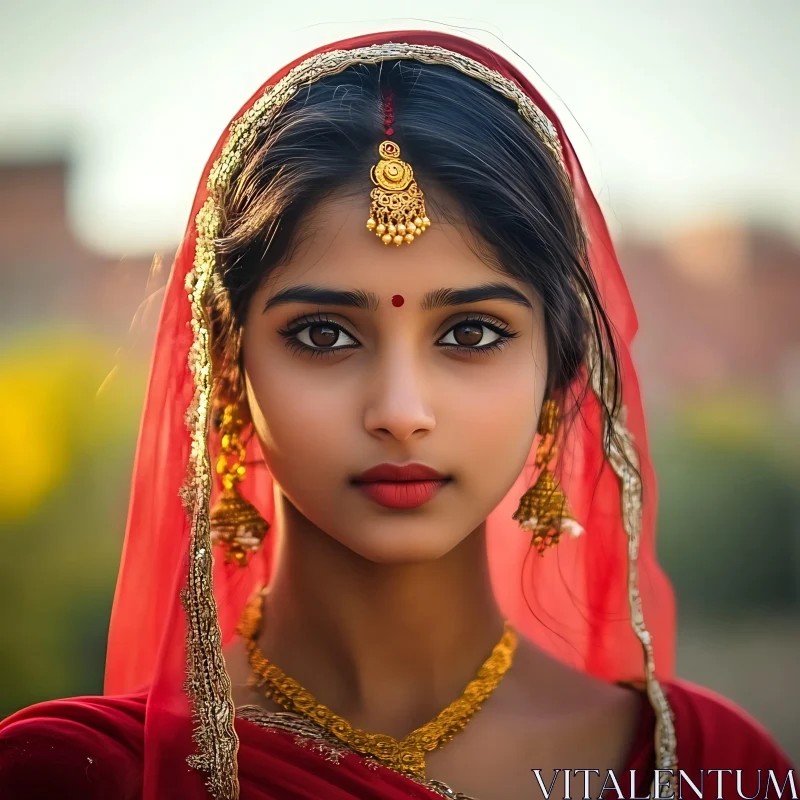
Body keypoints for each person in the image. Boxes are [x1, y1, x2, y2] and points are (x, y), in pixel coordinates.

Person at [0, 29, 794, 800]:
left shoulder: (704, 769)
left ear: (560, 371)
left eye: (471, 333)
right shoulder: (70, 776)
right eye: (324, 334)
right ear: (225, 367)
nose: (401, 412)